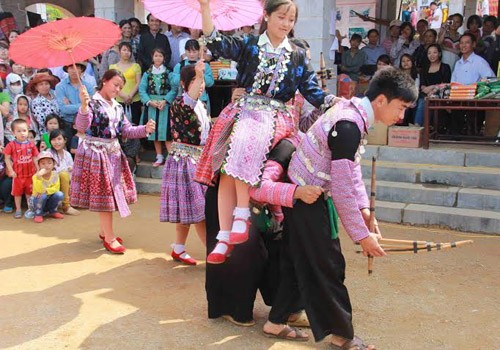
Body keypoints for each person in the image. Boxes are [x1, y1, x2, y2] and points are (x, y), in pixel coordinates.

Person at [285, 67, 417, 349]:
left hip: (310, 192)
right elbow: (343, 188)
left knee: (305, 257)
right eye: (401, 107)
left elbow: (351, 171)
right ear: (381, 100)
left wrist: (365, 210)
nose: (402, 116)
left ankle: (280, 317)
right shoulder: (348, 124)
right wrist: (362, 236)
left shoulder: (353, 114)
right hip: (307, 195)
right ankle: (341, 335)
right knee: (329, 264)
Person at [194, 0, 335, 264]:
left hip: (274, 116)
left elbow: (312, 91)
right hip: (244, 110)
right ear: (267, 16)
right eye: (281, 17)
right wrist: (204, 7)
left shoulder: (297, 54)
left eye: (290, 20)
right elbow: (215, 43)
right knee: (225, 171)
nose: (286, 24)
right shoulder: (249, 44)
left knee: (246, 136)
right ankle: (224, 236)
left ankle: (242, 214)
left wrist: (332, 102)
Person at [71, 69, 156, 254]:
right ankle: (109, 237)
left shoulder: (116, 107)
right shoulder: (92, 103)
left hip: (113, 153)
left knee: (109, 194)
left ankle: (104, 231)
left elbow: (126, 130)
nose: (117, 89)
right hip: (96, 155)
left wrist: (144, 129)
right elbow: (82, 127)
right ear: (104, 81)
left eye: (120, 87)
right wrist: (84, 106)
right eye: (115, 85)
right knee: (106, 196)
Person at [160, 61, 210, 265]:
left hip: (197, 160)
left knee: (189, 209)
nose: (201, 86)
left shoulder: (201, 105)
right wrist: (199, 73)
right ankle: (213, 253)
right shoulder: (181, 103)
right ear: (184, 84)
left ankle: (179, 248)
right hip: (185, 161)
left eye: (202, 82)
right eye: (196, 82)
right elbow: (190, 97)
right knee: (199, 211)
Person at [449, 33, 495, 135]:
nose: (463, 45)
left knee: (471, 129)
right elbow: (453, 82)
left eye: (467, 43)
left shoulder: (479, 62)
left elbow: (491, 78)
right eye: (461, 43)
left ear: (473, 44)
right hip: (458, 99)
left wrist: (477, 86)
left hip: (474, 100)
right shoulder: (458, 63)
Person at [139, 48, 177, 167]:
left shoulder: (169, 73)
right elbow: (142, 89)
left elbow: (174, 89)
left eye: (160, 56)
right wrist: (149, 101)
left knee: (166, 132)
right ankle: (159, 156)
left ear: (164, 58)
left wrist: (165, 101)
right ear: (152, 57)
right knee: (154, 132)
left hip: (165, 106)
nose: (158, 58)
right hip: (152, 106)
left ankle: (171, 158)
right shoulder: (147, 73)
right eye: (156, 56)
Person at [3, 119, 39, 219]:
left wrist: (38, 169)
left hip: (30, 175)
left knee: (29, 193)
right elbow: (6, 158)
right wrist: (11, 170)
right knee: (17, 194)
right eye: (18, 131)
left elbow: (35, 157)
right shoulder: (11, 145)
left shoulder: (31, 144)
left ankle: (29, 209)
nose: (22, 133)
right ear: (13, 133)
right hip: (17, 176)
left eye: (24, 130)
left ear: (28, 131)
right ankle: (18, 209)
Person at [55, 61, 95, 144]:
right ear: (67, 70)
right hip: (67, 122)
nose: (74, 70)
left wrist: (71, 105)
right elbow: (64, 109)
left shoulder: (88, 86)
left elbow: (92, 106)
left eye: (77, 68)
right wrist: (84, 104)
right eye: (71, 68)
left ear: (81, 70)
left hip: (85, 123)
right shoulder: (60, 86)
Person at [172, 39, 214, 113]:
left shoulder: (205, 65)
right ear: (185, 51)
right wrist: (188, 75)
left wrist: (200, 74)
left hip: (202, 99)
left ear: (198, 52)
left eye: (194, 52)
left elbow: (210, 82)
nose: (191, 54)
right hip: (183, 99)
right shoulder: (179, 65)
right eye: (189, 52)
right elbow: (174, 82)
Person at [414, 44, 451, 126]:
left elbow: (445, 84)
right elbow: (422, 86)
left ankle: (421, 127)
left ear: (439, 54)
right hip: (426, 94)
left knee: (426, 101)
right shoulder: (424, 68)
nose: (432, 55)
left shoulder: (445, 67)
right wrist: (428, 91)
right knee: (422, 100)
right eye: (429, 53)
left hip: (441, 94)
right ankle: (419, 126)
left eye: (435, 52)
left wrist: (433, 88)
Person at [110, 42, 142, 126]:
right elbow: (112, 84)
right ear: (119, 52)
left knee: (135, 124)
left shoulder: (136, 66)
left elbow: (138, 82)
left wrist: (130, 96)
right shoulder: (113, 67)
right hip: (119, 99)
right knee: (120, 125)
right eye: (124, 50)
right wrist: (123, 96)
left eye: (129, 51)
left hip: (134, 99)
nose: (126, 52)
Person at [49, 129, 79, 215]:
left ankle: (70, 201)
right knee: (63, 174)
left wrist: (70, 169)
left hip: (66, 181)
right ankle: (66, 205)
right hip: (52, 182)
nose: (56, 142)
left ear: (65, 140)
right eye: (53, 139)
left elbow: (72, 169)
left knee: (67, 175)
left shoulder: (67, 154)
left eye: (59, 139)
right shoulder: (48, 153)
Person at [31, 150, 64, 223]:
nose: (46, 165)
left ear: (53, 164)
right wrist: (39, 177)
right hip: (38, 200)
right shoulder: (36, 176)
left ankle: (53, 211)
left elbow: (56, 188)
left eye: (49, 163)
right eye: (43, 163)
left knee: (59, 194)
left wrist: (46, 191)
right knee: (42, 196)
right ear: (39, 165)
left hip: (49, 196)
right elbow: (39, 191)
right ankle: (38, 213)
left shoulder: (55, 174)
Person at [399, 54, 419, 125]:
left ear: (412, 62)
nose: (405, 63)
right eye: (403, 61)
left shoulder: (416, 75)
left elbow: (416, 90)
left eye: (408, 60)